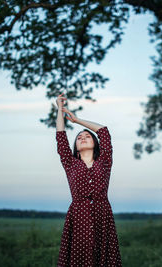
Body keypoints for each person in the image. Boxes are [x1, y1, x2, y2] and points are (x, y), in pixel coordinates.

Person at [55, 93, 122, 267]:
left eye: (87, 136)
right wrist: (60, 110)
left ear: (95, 143)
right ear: (75, 147)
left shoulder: (105, 161)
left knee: (104, 259)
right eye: (79, 137)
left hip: (102, 214)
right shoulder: (70, 163)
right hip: (79, 215)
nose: (83, 138)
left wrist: (77, 121)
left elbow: (104, 131)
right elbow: (61, 137)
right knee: (80, 258)